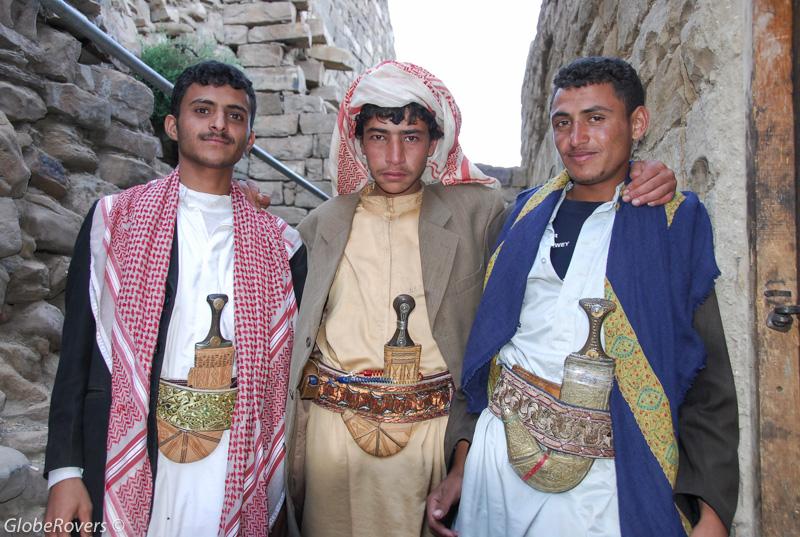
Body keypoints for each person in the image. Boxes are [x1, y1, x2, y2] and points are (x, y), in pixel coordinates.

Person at [283, 60, 678, 537]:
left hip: (431, 442)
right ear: (357, 141)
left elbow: (563, 210)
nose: (393, 155)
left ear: (434, 144)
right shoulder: (321, 225)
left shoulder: (479, 214)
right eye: (377, 135)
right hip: (332, 441)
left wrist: (642, 172)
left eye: (410, 137)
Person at [453, 56, 739, 537]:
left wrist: (710, 505)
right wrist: (461, 463)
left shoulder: (670, 223)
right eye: (563, 122)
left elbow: (707, 376)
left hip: (609, 485)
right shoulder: (522, 217)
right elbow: (484, 352)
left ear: (638, 123)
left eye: (596, 118)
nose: (576, 138)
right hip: (496, 467)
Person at [43, 60, 305, 537]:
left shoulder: (282, 246)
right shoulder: (115, 221)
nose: (219, 124)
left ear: (250, 138)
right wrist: (65, 471)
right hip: (128, 446)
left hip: (235, 454)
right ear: (172, 125)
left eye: (235, 115)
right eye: (202, 110)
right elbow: (76, 352)